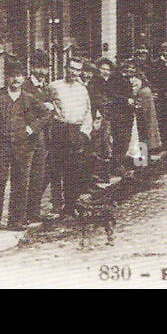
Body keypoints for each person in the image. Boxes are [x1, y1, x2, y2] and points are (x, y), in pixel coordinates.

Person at [0, 68, 47, 233]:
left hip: (22, 147)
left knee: (20, 184)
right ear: (6, 77)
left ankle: (16, 221)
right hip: (1, 146)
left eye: (18, 76)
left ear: (23, 78)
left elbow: (44, 114)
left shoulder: (28, 98)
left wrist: (30, 129)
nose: (15, 79)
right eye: (12, 75)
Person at [49, 57, 95, 217]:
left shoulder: (82, 89)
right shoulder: (54, 86)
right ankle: (56, 204)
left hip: (76, 131)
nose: (74, 73)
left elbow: (88, 111)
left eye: (77, 70)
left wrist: (85, 132)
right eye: (72, 68)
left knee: (73, 170)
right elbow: (48, 109)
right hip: (59, 130)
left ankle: (70, 205)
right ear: (65, 68)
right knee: (55, 169)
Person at [24, 51, 55, 223]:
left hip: (45, 134)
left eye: (44, 68)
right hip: (31, 134)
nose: (42, 71)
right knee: (29, 174)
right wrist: (43, 107)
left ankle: (33, 211)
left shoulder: (46, 87)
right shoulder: (26, 87)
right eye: (38, 67)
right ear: (32, 68)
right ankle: (25, 213)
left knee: (40, 174)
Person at [148, 43, 167, 146]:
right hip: (162, 94)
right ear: (161, 51)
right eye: (165, 50)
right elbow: (154, 79)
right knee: (163, 117)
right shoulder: (156, 63)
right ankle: (166, 141)